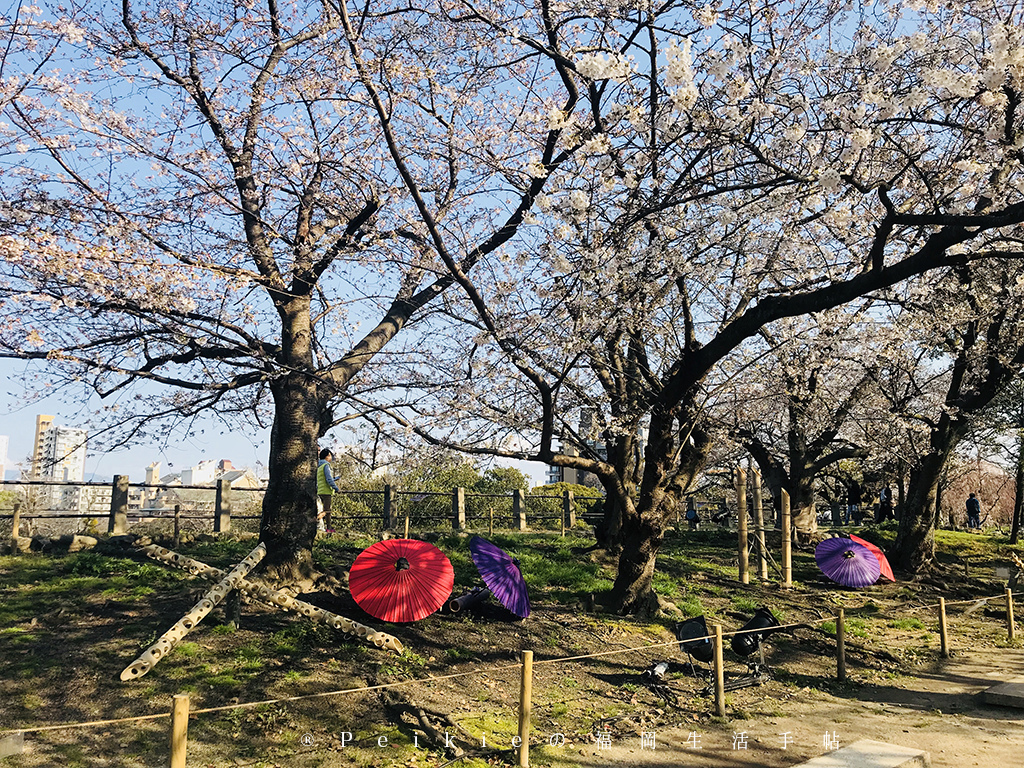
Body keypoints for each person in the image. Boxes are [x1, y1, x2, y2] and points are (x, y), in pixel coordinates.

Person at [317, 448, 340, 531]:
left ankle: (321, 526)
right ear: (328, 456)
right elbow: (328, 479)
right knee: (327, 511)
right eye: (330, 456)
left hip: (319, 490)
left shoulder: (318, 466)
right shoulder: (326, 465)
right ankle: (328, 528)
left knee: (320, 509)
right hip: (326, 491)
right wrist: (336, 488)